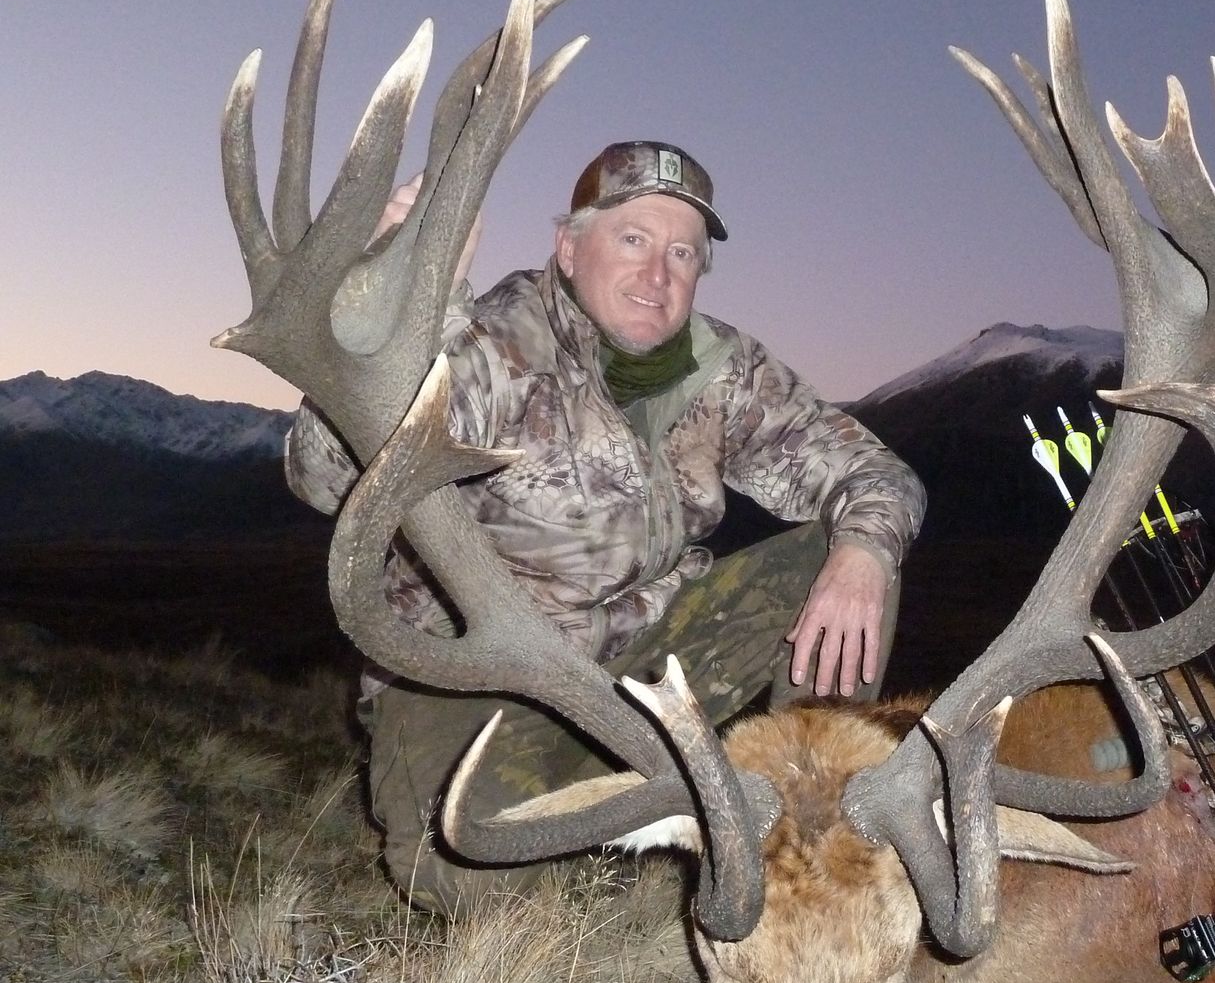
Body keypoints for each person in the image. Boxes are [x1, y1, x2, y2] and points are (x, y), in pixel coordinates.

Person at [286, 141, 926, 914]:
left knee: (851, 557)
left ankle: (808, 842)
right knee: (459, 870)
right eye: (632, 239)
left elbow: (878, 474)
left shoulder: (721, 368)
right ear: (568, 246)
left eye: (682, 253)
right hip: (478, 677)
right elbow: (325, 479)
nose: (658, 276)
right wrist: (391, 306)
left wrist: (862, 553)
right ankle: (611, 810)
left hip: (651, 668)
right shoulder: (495, 345)